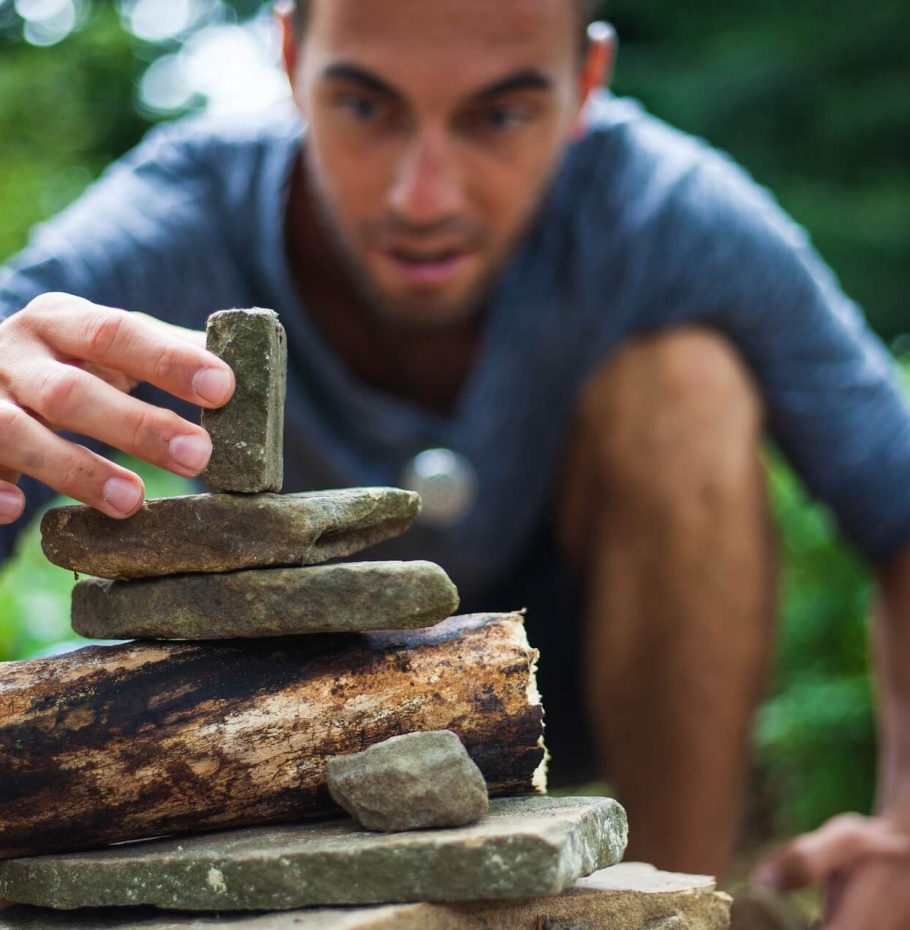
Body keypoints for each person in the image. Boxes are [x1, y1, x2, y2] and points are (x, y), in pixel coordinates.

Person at [1, 1, 909, 925]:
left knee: (688, 387)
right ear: (289, 56)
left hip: (593, 681)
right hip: (288, 714)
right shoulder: (179, 214)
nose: (421, 198)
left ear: (587, 84)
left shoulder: (667, 213)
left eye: (498, 116)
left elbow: (899, 496)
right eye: (366, 107)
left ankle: (670, 903)